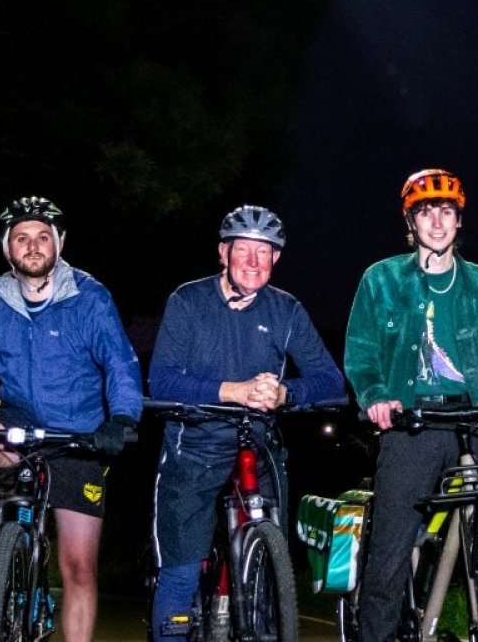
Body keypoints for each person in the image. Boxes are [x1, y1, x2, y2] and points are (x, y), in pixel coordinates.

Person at [0, 196, 145, 642]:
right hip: (17, 418)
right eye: (21, 238)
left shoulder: (89, 297)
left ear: (59, 245)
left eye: (44, 237)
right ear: (8, 250)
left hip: (80, 432)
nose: (33, 245)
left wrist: (121, 417)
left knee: (79, 568)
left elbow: (121, 363)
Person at [344, 168, 478, 642]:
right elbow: (362, 351)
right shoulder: (381, 280)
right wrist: (376, 396)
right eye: (426, 212)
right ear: (411, 221)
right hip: (410, 426)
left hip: (472, 422)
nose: (436, 223)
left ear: (459, 221)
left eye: (446, 212)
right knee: (392, 551)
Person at [147, 205, 348, 639]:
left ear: (276, 259)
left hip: (258, 443)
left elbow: (332, 382)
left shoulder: (286, 310)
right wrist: (233, 391)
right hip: (194, 443)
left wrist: (285, 392)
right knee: (181, 572)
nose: (254, 262)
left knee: (269, 577)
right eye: (243, 250)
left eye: (265, 252)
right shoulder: (188, 301)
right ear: (223, 253)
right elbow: (161, 381)